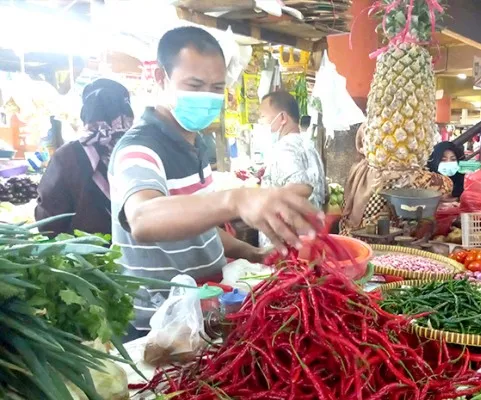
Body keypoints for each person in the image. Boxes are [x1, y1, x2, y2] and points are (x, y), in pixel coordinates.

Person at [109, 27, 321, 338]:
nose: (206, 97)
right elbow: (142, 218)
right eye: (194, 85)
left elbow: (200, 228)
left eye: (216, 88)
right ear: (160, 79)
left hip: (202, 312)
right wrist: (234, 200)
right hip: (157, 328)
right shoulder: (139, 148)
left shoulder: (194, 146)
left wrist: (252, 253)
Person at [35, 79, 134, 236]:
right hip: (142, 252)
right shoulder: (143, 148)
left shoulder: (67, 156)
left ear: (86, 112)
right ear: (127, 109)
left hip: (88, 256)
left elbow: (49, 218)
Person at [257, 91, 326, 248]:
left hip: (286, 246)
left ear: (282, 118)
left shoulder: (284, 147)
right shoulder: (309, 146)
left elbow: (301, 187)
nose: (260, 122)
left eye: (262, 117)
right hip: (309, 241)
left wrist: (257, 201)